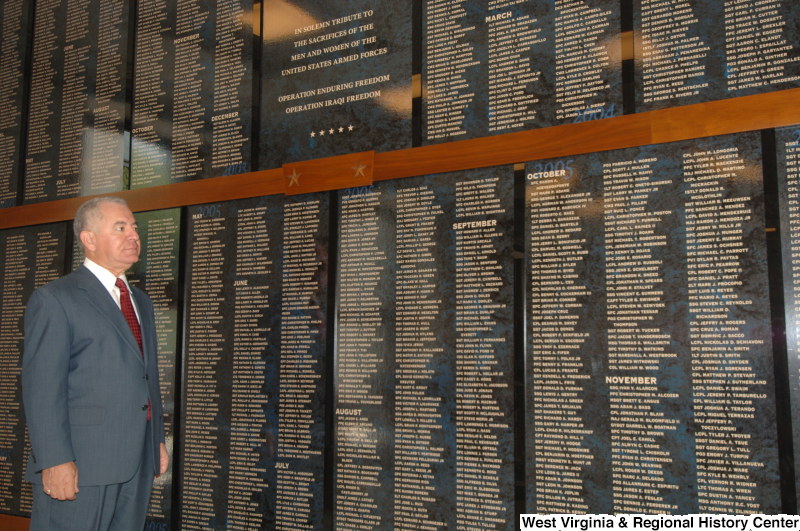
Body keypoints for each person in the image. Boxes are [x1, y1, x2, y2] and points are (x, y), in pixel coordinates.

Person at [22, 196, 169, 530]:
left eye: (134, 227)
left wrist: (156, 438)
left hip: (136, 464)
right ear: (88, 239)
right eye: (120, 227)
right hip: (81, 466)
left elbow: (145, 377)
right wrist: (55, 460)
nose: (134, 235)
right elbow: (43, 388)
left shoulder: (139, 301)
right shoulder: (56, 299)